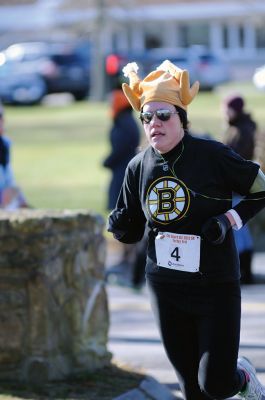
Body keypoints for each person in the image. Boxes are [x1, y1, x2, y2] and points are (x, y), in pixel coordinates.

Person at [107, 59, 265, 400]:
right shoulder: (137, 167)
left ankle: (243, 377)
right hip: (165, 287)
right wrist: (119, 227)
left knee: (216, 384)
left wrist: (229, 220)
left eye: (163, 115)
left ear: (182, 118)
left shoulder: (212, 155)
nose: (154, 124)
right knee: (192, 389)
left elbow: (261, 189)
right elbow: (131, 229)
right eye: (147, 117)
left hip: (215, 285)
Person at [103, 85, 141, 284]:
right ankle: (124, 257)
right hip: (119, 172)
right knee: (120, 215)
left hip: (123, 173)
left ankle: (129, 258)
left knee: (126, 214)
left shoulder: (125, 122)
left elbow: (122, 148)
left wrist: (107, 161)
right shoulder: (123, 120)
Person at [223, 95, 257, 284]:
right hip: (238, 185)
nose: (224, 112)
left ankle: (245, 270)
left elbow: (236, 157)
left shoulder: (242, 130)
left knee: (239, 227)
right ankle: (246, 270)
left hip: (238, 185)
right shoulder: (238, 127)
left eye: (227, 108)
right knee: (240, 228)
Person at [0, 102, 29, 210]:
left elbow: (10, 181)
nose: (2, 122)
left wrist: (22, 201)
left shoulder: (4, 145)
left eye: (1, 117)